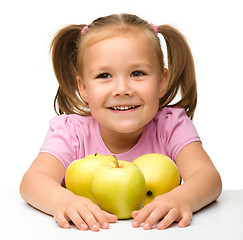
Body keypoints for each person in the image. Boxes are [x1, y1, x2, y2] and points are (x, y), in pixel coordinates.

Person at [20, 13, 222, 232]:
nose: (122, 90)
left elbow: (208, 176)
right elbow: (33, 180)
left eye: (137, 73)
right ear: (84, 88)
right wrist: (63, 201)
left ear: (162, 81)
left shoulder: (170, 125)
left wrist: (183, 198)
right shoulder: (71, 132)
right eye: (104, 75)